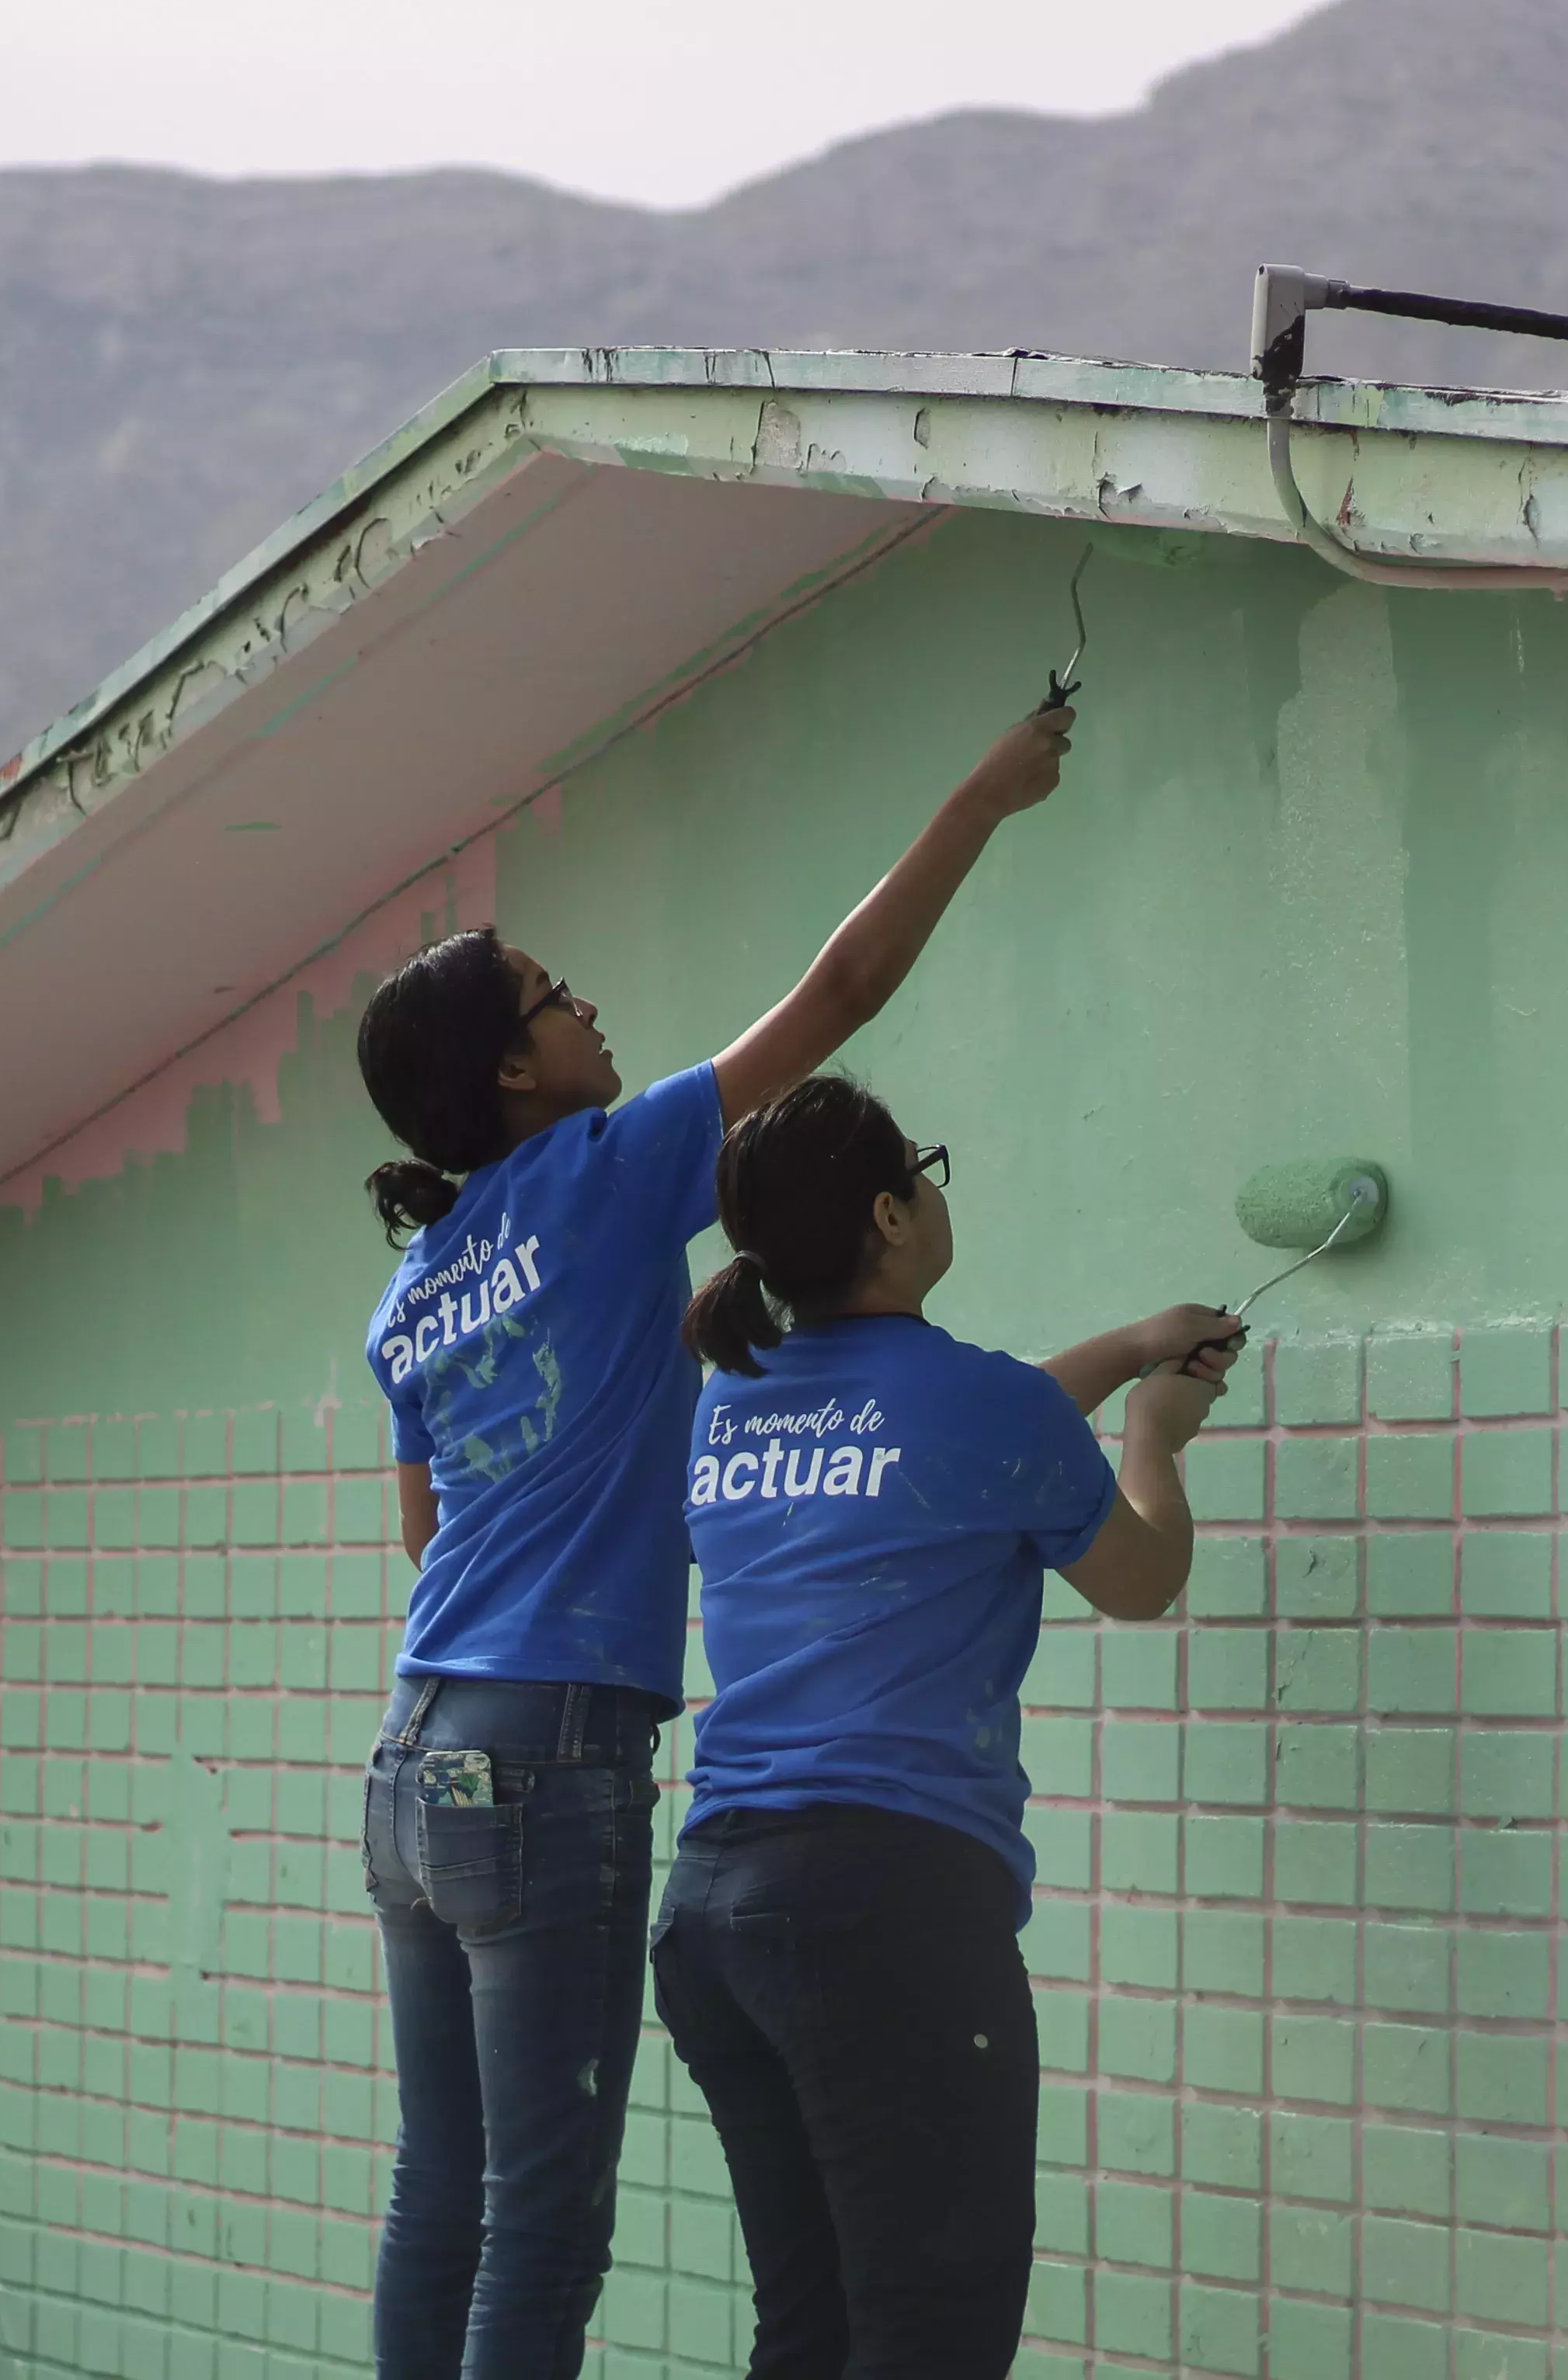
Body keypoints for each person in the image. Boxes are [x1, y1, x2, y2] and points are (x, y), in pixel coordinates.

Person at [352, 704, 1076, 2380]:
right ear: (517, 1071)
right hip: (547, 1759)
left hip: (412, 1758)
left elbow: (430, 1539)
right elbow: (839, 1002)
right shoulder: (600, 1176)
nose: (585, 1000)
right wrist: (981, 794)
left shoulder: (416, 1285)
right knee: (543, 2219)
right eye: (552, 993)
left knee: (437, 2197)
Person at [652, 1075, 1240, 2380]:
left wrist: (1123, 1342)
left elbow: (951, 1426)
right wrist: (1156, 1431)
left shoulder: (729, 1401)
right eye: (921, 1167)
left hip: (715, 1915)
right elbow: (1141, 1580)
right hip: (883, 1912)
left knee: (810, 2333)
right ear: (889, 1212)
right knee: (932, 2338)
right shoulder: (978, 1411)